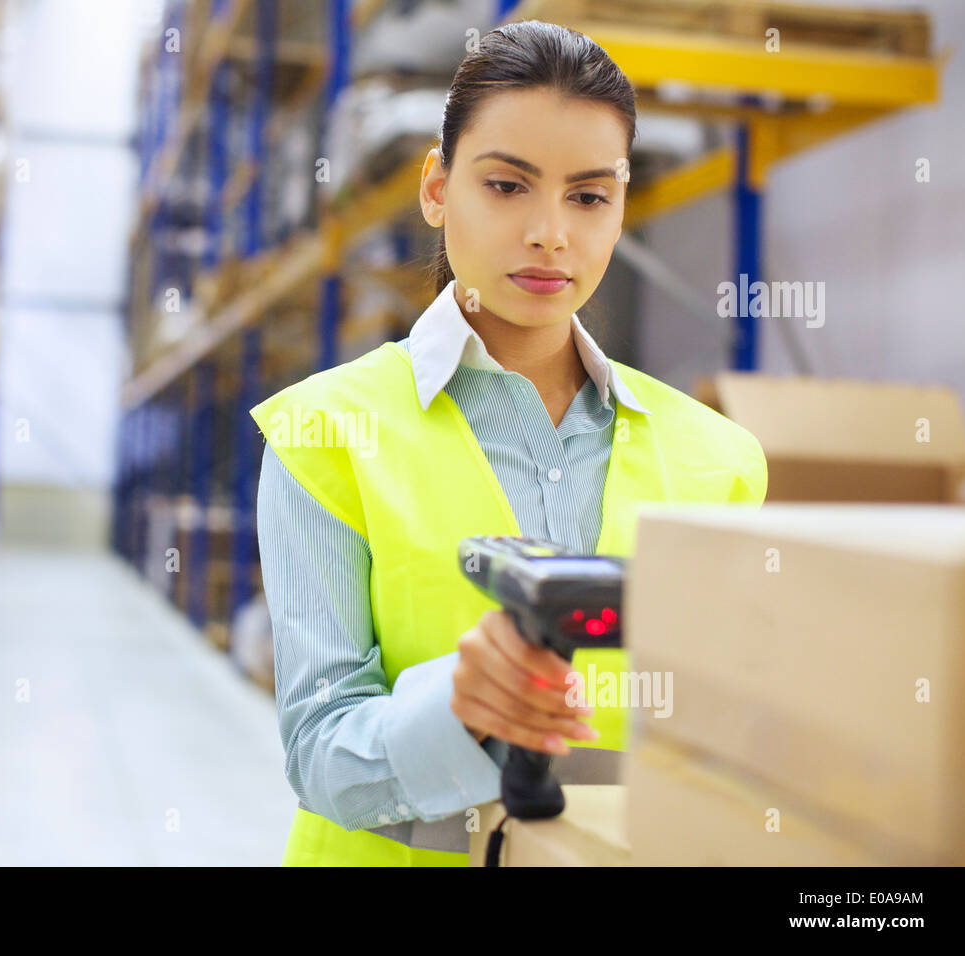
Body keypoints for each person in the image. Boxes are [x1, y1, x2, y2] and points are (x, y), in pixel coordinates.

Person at [250, 20, 767, 867]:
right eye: (507, 186)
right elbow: (319, 752)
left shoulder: (721, 462)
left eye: (589, 197)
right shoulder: (325, 434)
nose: (550, 233)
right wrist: (455, 708)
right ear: (436, 188)